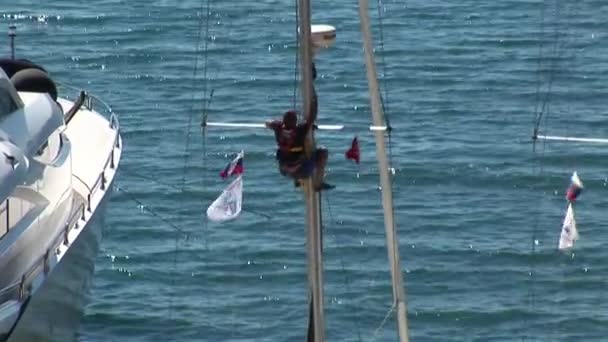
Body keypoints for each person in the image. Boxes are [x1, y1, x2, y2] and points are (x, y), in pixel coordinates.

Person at [265, 63, 334, 191]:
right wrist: (312, 89)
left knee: (293, 152)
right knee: (322, 152)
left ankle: (297, 181)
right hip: (301, 170)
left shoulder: (278, 128)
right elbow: (313, 112)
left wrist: (277, 124)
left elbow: (267, 122)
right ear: (295, 123)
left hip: (284, 170)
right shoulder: (300, 131)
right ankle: (317, 183)